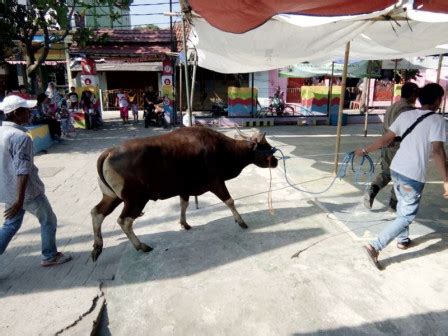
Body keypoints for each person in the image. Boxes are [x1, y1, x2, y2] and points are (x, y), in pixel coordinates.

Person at [354, 83, 448, 269]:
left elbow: (384, 140)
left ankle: (403, 240)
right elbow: (438, 151)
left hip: (396, 169)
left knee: (403, 206)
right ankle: (375, 246)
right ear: (438, 100)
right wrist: (446, 180)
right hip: (412, 175)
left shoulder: (407, 115)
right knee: (407, 215)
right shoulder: (437, 120)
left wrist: (364, 150)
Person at [0, 95, 72, 266]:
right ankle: (49, 255)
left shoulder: (2, 132)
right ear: (17, 113)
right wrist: (19, 200)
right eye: (26, 110)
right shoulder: (20, 137)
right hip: (26, 192)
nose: (30, 113)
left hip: (9, 190)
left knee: (10, 225)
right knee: (48, 220)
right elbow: (23, 170)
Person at [364, 82, 420, 212]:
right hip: (399, 147)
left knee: (386, 173)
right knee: (400, 176)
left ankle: (372, 190)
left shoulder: (392, 107)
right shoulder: (409, 111)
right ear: (413, 95)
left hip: (387, 146)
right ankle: (393, 205)